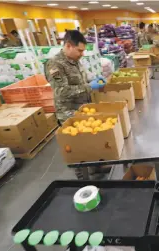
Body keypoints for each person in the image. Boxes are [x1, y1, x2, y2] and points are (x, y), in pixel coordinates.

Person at [45, 30, 106, 180]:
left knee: (90, 141)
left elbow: (79, 80)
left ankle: (95, 168)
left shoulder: (75, 61)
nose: (82, 54)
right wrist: (89, 86)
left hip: (83, 109)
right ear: (68, 45)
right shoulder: (55, 64)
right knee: (76, 148)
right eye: (79, 50)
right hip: (68, 113)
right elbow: (61, 91)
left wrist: (93, 79)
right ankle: (82, 179)